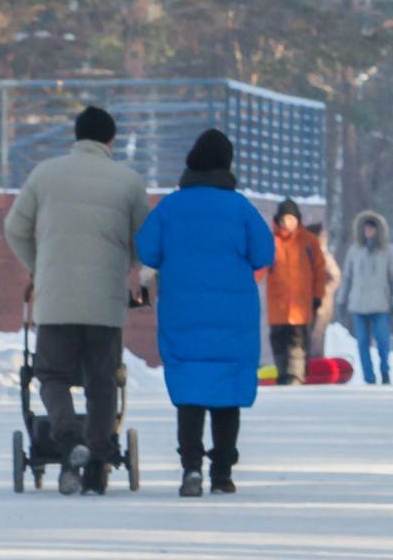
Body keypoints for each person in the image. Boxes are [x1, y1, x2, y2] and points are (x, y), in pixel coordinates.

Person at [4, 105, 150, 495]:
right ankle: (99, 462)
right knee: (102, 381)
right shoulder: (128, 181)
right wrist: (123, 265)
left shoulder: (45, 175)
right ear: (110, 140)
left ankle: (70, 440)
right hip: (105, 301)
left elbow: (15, 229)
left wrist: (41, 267)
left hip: (55, 300)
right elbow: (145, 241)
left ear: (76, 136)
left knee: (51, 375)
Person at [136, 129, 275, 496]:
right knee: (227, 390)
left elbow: (147, 250)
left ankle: (191, 468)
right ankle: (223, 472)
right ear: (227, 164)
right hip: (234, 315)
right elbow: (263, 254)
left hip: (183, 310)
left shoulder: (171, 206)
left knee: (190, 389)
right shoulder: (240, 207)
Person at [261, 199, 326, 385]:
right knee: (279, 341)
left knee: (297, 342)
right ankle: (283, 374)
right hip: (278, 304)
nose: (287, 223)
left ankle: (296, 377)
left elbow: (319, 270)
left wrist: (318, 295)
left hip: (300, 304)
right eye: (284, 219)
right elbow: (260, 268)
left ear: (297, 219)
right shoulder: (271, 242)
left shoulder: (308, 241)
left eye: (291, 219)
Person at [336, 210, 393, 385]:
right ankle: (369, 376)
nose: (368, 232)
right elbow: (347, 277)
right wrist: (341, 299)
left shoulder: (387, 251)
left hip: (380, 305)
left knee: (382, 340)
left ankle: (384, 370)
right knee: (362, 342)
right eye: (366, 228)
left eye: (372, 229)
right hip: (358, 304)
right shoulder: (355, 251)